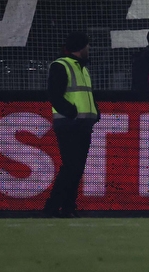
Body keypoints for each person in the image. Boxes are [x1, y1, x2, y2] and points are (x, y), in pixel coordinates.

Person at [44, 31, 99, 218]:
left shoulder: (81, 67)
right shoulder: (62, 65)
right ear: (81, 47)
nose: (89, 48)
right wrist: (72, 112)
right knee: (71, 167)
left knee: (76, 168)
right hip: (69, 124)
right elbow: (54, 95)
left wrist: (94, 113)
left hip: (82, 124)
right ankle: (53, 207)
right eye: (87, 45)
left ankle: (67, 208)